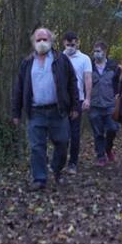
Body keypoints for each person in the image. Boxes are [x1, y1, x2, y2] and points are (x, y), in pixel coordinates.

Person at [11, 27, 80, 191]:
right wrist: (16, 112)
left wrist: (75, 106)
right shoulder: (27, 63)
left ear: (51, 41)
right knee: (36, 147)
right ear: (33, 42)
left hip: (58, 110)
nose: (42, 43)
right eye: (38, 40)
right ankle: (40, 178)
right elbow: (19, 88)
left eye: (45, 39)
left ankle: (56, 169)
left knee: (63, 142)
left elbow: (72, 83)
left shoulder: (61, 60)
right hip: (36, 112)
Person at [61, 31, 92, 174]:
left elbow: (87, 78)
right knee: (61, 132)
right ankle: (60, 161)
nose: (70, 47)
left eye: (73, 44)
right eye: (68, 45)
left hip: (78, 100)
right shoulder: (58, 58)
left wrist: (87, 98)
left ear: (78, 43)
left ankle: (73, 162)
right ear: (63, 44)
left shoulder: (84, 58)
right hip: (61, 101)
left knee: (74, 132)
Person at [88, 41, 119, 165]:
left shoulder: (113, 67)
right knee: (98, 132)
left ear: (105, 52)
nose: (96, 53)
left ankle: (108, 148)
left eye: (99, 51)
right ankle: (101, 156)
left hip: (110, 104)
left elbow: (118, 84)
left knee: (112, 128)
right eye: (95, 51)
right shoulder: (89, 66)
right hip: (94, 104)